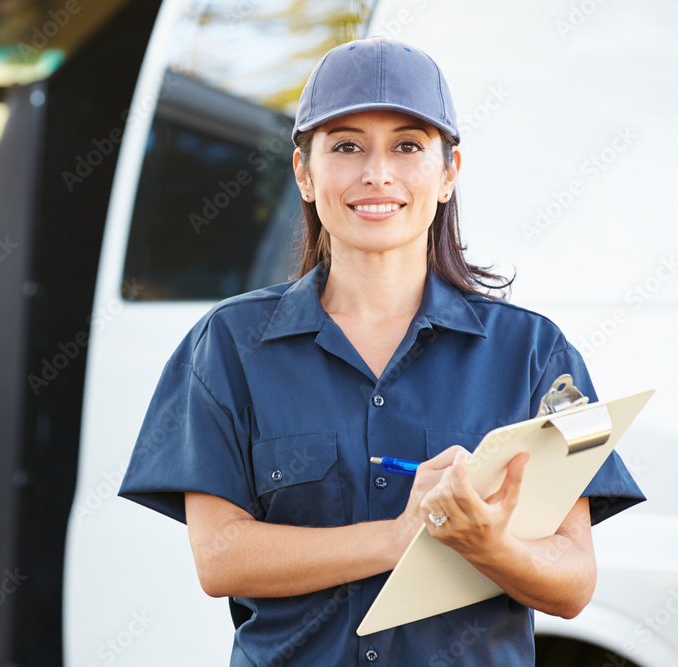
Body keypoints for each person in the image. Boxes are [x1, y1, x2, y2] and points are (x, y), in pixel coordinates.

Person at [118, 36, 644, 665]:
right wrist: (400, 538)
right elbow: (220, 558)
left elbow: (573, 582)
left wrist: (488, 544)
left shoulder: (537, 351)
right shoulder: (228, 346)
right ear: (304, 174)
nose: (377, 173)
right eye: (345, 146)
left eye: (408, 146)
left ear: (448, 174)